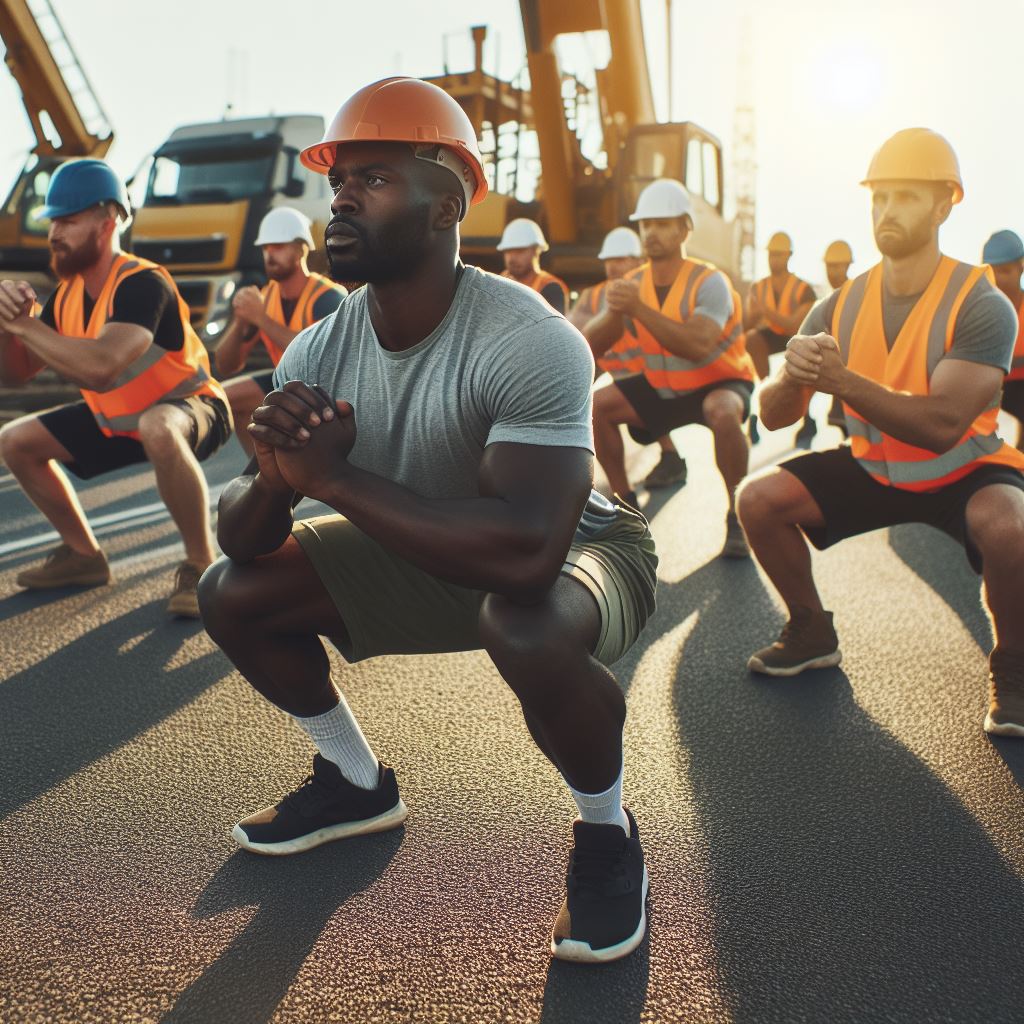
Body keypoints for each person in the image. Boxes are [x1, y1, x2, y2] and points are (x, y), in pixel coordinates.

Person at [197, 77, 659, 964]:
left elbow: (527, 555)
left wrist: (328, 480)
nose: (339, 198)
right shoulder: (319, 346)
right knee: (235, 592)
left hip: (580, 552)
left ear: (448, 203)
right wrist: (273, 477)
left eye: (372, 179)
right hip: (427, 544)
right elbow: (240, 539)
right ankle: (356, 782)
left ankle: (606, 834)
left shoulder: (531, 337)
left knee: (520, 627)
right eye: (337, 180)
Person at [737, 128, 1024, 739]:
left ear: (946, 204)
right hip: (874, 465)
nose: (887, 211)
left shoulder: (982, 302)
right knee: (757, 501)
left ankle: (1016, 667)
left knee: (1011, 525)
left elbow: (945, 426)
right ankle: (811, 630)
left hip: (965, 468)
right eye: (878, 197)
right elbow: (772, 416)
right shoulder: (839, 303)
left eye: (906, 197)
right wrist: (794, 377)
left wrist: (839, 380)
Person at [0, 158, 231, 617]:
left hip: (191, 408)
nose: (53, 232)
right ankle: (84, 557)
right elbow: (14, 374)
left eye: (67, 219)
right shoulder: (66, 296)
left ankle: (201, 565)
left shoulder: (143, 283)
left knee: (159, 425)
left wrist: (26, 327)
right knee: (15, 440)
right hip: (120, 419)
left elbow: (102, 367)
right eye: (53, 221)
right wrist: (8, 327)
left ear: (106, 222)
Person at [586, 178, 755, 557]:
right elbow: (590, 344)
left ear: (684, 229)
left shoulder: (711, 282)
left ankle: (737, 515)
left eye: (663, 224)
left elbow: (697, 345)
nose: (652, 233)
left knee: (723, 412)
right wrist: (611, 312)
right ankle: (626, 510)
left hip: (720, 382)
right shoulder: (631, 284)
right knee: (597, 406)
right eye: (646, 225)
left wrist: (637, 308)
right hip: (666, 387)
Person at [216, 207, 346, 456]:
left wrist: (259, 318)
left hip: (325, 393)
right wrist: (241, 321)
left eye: (278, 247)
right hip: (285, 384)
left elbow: (314, 356)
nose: (269, 254)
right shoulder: (265, 299)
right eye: (265, 248)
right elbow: (226, 365)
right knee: (223, 397)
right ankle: (262, 472)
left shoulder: (329, 298)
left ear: (300, 249)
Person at [570, 226, 686, 490]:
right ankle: (637, 485)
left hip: (659, 381)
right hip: (627, 380)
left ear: (638, 261)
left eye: (620, 259)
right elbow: (574, 332)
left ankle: (669, 458)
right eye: (609, 260)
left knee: (612, 398)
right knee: (598, 402)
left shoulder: (650, 293)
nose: (613, 266)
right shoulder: (593, 296)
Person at [744, 232, 816, 446]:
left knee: (803, 358)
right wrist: (754, 317)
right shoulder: (758, 287)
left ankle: (807, 417)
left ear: (789, 256)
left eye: (779, 254)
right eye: (771, 254)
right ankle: (764, 394)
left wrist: (764, 311)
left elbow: (794, 325)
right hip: (771, 336)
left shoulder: (804, 289)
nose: (773, 258)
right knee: (751, 338)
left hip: (796, 335)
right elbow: (746, 325)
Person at [981, 230, 1024, 451]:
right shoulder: (979, 313)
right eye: (992, 272)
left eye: (1005, 271)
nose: (998, 279)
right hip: (990, 392)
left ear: (1022, 266)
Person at [497, 218, 569, 314]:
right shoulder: (499, 281)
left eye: (519, 251)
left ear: (536, 250)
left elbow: (549, 327)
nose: (512, 258)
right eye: (508, 251)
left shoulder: (551, 288)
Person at [823, 240, 855, 438]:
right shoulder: (829, 299)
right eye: (828, 266)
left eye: (836, 266)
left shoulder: (856, 294)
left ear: (848, 265)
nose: (831, 272)